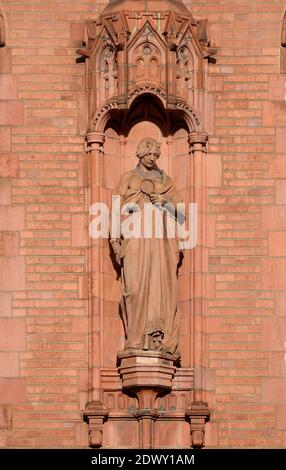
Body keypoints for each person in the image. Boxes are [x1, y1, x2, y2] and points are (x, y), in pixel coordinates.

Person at [110, 137, 183, 356]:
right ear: (141, 154)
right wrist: (115, 240)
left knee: (159, 288)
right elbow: (116, 209)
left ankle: (157, 338)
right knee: (133, 288)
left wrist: (164, 202)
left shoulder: (165, 180)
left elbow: (182, 212)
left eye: (156, 155)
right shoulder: (128, 178)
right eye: (149, 154)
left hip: (160, 242)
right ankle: (134, 339)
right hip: (134, 240)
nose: (152, 159)